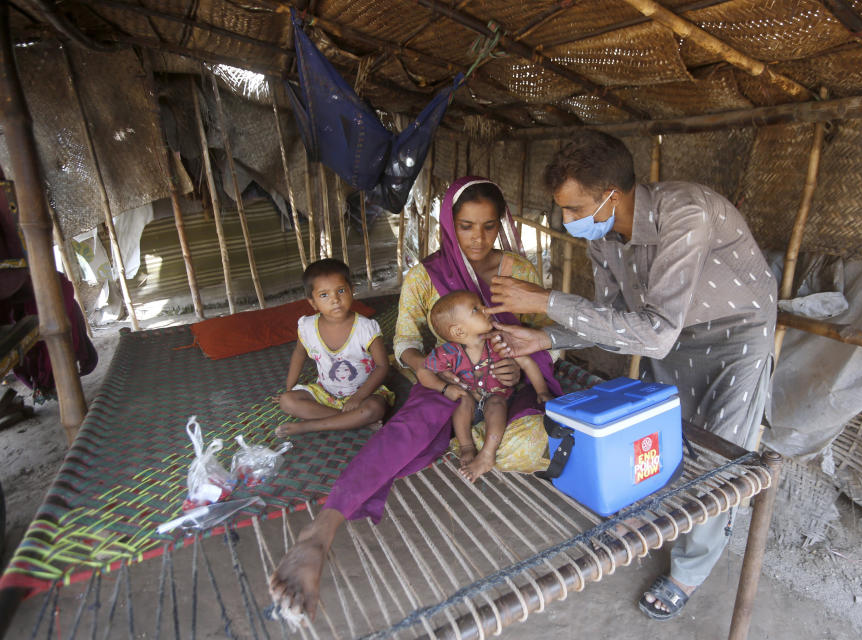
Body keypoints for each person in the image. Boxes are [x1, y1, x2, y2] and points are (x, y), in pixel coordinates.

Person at [486, 130, 776, 621]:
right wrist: (548, 338)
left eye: (575, 210)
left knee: (722, 459)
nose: (568, 221)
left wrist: (545, 302)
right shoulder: (606, 236)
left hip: (736, 336)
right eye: (564, 211)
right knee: (666, 436)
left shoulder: (686, 214)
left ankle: (688, 570)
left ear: (611, 196)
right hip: (673, 334)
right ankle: (654, 516)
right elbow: (611, 316)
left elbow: (653, 334)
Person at [269, 177, 562, 621]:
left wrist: (520, 359)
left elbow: (544, 338)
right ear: (449, 224)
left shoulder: (519, 270)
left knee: (534, 444)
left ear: (499, 225)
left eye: (488, 226)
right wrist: (439, 379)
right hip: (447, 377)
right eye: (466, 226)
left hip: (508, 385)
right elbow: (405, 343)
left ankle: (476, 442)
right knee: (407, 432)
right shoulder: (425, 276)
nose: (478, 238)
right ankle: (321, 530)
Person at [422, 290, 554, 481]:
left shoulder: (497, 341)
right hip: (470, 408)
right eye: (476, 309)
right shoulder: (447, 352)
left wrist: (542, 391)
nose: (485, 309)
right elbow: (423, 372)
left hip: (499, 404)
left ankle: (487, 454)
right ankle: (466, 446)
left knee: (496, 402)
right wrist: (445, 387)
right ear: (458, 331)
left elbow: (526, 362)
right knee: (461, 399)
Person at [275, 259, 394, 436]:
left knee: (373, 409)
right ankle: (353, 420)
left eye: (341, 291)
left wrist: (359, 397)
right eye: (324, 295)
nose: (335, 300)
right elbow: (299, 354)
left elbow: (383, 366)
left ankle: (309, 426)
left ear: (352, 290)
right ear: (312, 302)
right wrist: (289, 388)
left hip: (365, 393)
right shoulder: (307, 327)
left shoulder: (366, 328)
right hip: (326, 392)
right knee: (287, 401)